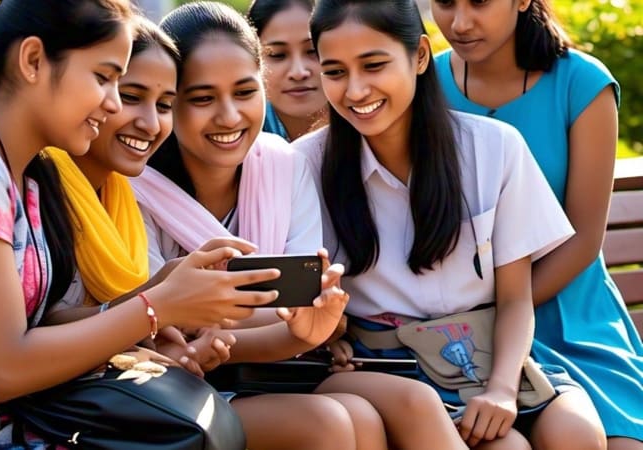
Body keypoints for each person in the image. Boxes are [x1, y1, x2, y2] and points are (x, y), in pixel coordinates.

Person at [0, 1, 287, 448]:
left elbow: (25, 338)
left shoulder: (23, 178)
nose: (112, 102)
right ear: (33, 61)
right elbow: (5, 369)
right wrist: (156, 307)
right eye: (103, 77)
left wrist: (154, 303)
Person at [132, 3, 471, 449]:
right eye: (202, 98)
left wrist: (232, 329)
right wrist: (278, 325)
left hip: (284, 370)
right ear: (169, 102)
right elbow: (157, 328)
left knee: (385, 410)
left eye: (245, 92)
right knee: (331, 421)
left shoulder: (282, 166)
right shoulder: (139, 190)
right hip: (174, 389)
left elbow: (307, 312)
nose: (230, 116)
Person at [293, 0, 608, 448]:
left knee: (577, 434)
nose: (356, 90)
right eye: (335, 72)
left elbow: (516, 299)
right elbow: (307, 298)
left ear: (420, 56)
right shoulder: (306, 165)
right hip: (381, 364)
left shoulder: (494, 148)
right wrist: (331, 334)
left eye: (374, 65)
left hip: (485, 352)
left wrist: (501, 389)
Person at [431, 1, 643, 447]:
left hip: (569, 317)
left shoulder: (581, 83)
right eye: (445, 3)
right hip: (454, 330)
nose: (460, 22)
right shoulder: (423, 84)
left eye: (480, 2)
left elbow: (584, 240)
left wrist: (501, 313)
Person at [246, 0, 327, 141]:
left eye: (312, 51)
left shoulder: (367, 128)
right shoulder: (240, 139)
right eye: (277, 55)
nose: (298, 73)